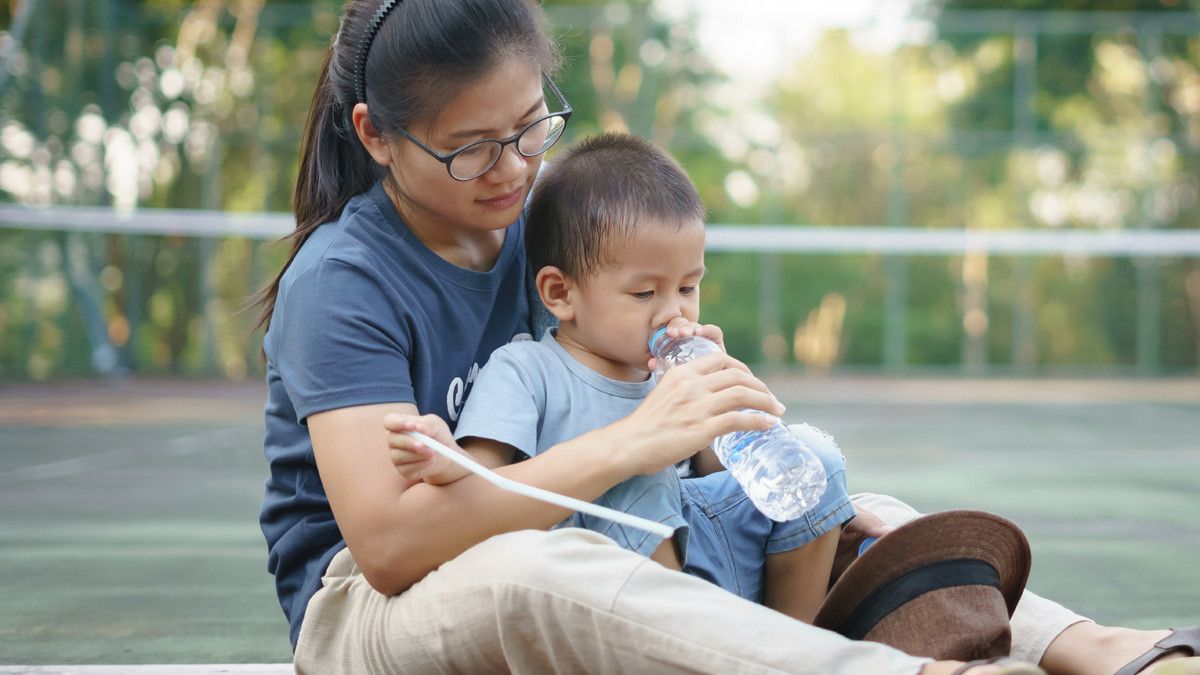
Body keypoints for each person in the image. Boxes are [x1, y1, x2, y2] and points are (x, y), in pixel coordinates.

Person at [254, 0, 1199, 673]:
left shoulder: (545, 227)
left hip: (589, 523)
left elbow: (649, 443)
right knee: (543, 570)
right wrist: (638, 437)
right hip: (375, 605)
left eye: (532, 126)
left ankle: (1089, 646)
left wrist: (710, 430)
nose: (513, 169)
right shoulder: (344, 281)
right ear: (377, 135)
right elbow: (391, 546)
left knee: (830, 499)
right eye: (472, 149)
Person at [387, 131, 854, 623]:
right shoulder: (525, 369)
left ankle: (794, 637)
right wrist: (445, 458)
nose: (673, 312)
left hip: (705, 551)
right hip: (605, 573)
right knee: (639, 481)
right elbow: (484, 479)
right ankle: (686, 641)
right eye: (644, 294)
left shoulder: (671, 373)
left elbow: (713, 474)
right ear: (560, 293)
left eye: (688, 287)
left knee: (817, 455)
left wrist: (733, 414)